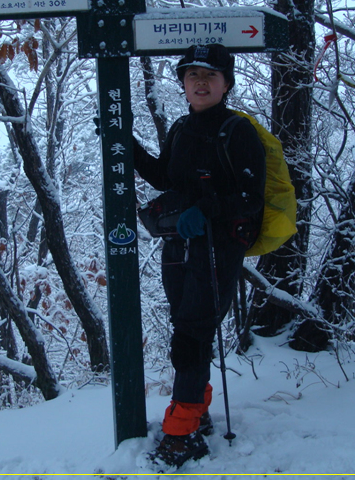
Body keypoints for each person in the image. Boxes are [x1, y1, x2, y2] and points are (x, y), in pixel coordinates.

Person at [133, 44, 266, 468]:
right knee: (187, 330)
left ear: (226, 84)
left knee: (192, 334)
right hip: (177, 247)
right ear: (183, 84)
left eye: (210, 76)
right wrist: (126, 143)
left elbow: (249, 197)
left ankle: (180, 431)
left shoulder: (237, 131)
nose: (201, 82)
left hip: (217, 248)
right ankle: (197, 406)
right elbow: (162, 174)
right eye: (193, 76)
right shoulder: (180, 129)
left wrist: (205, 210)